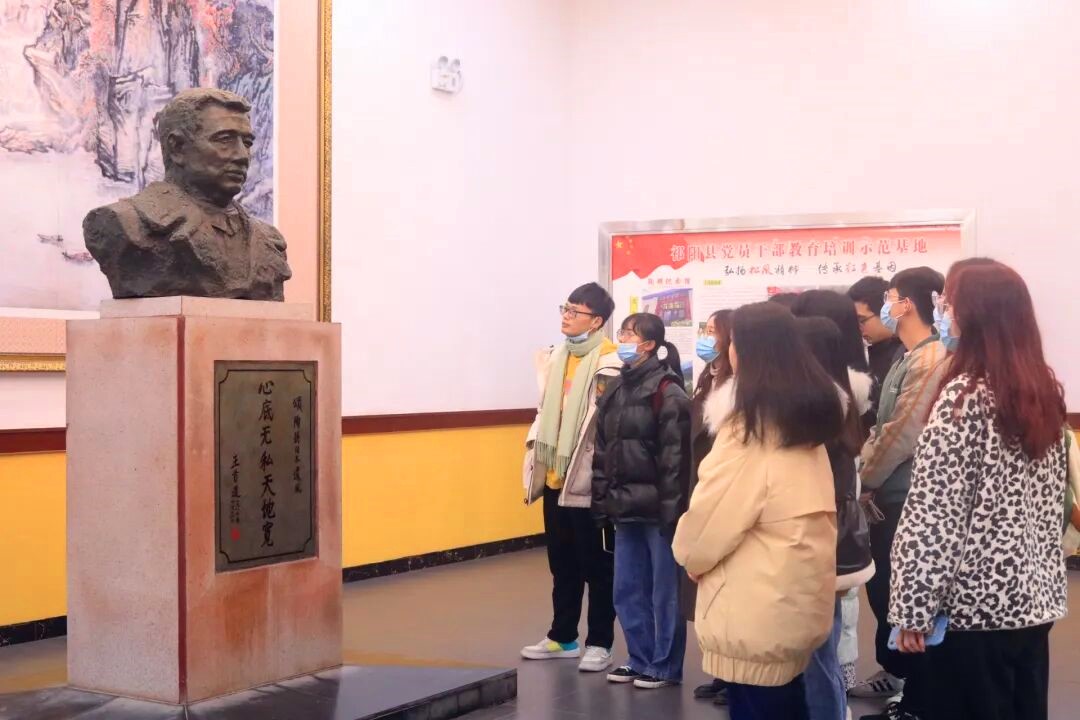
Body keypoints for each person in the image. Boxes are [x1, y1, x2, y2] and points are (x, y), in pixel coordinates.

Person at [889, 261, 1068, 720]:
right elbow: (1051, 508)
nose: (943, 313)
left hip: (973, 609)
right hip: (1032, 601)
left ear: (975, 315)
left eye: (949, 303)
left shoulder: (962, 398)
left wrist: (912, 608)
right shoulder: (1041, 393)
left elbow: (934, 515)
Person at [673, 302, 842, 720]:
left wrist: (690, 557)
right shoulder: (809, 419)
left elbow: (712, 517)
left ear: (746, 351)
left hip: (755, 604)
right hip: (796, 594)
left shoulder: (749, 428)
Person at [854, 267, 948, 720]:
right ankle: (903, 683)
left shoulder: (930, 359)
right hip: (887, 495)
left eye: (890, 297)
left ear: (906, 303)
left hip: (905, 496)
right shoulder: (907, 356)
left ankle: (915, 697)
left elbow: (902, 432)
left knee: (906, 597)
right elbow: (881, 426)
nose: (886, 306)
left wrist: (865, 479)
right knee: (886, 593)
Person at [520, 283, 621, 673]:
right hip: (555, 476)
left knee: (597, 567)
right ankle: (563, 636)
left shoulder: (611, 363)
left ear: (596, 321)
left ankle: (600, 643)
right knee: (562, 563)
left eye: (575, 311)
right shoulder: (555, 356)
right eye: (565, 308)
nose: (566, 316)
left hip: (588, 480)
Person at [592, 313, 691, 690]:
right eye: (621, 332)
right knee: (627, 589)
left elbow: (675, 459)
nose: (622, 339)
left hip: (658, 511)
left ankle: (664, 665)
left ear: (649, 345)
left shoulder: (668, 390)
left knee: (664, 592)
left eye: (629, 334)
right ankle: (639, 658)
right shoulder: (616, 387)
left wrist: (671, 511)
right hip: (624, 506)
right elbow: (602, 451)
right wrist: (602, 500)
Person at [792, 305, 876, 720]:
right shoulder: (843, 401)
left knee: (817, 642)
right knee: (824, 634)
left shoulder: (818, 409)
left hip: (819, 539)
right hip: (835, 538)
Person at [687, 310, 735, 707]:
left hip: (726, 488)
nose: (706, 337)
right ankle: (722, 671)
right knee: (712, 592)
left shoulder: (739, 384)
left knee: (732, 589)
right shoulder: (707, 375)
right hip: (701, 481)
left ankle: (737, 675)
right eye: (704, 329)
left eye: (713, 331)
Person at [847, 277, 903, 430]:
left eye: (862, 320)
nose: (858, 328)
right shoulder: (871, 351)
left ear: (886, 312)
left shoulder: (904, 356)